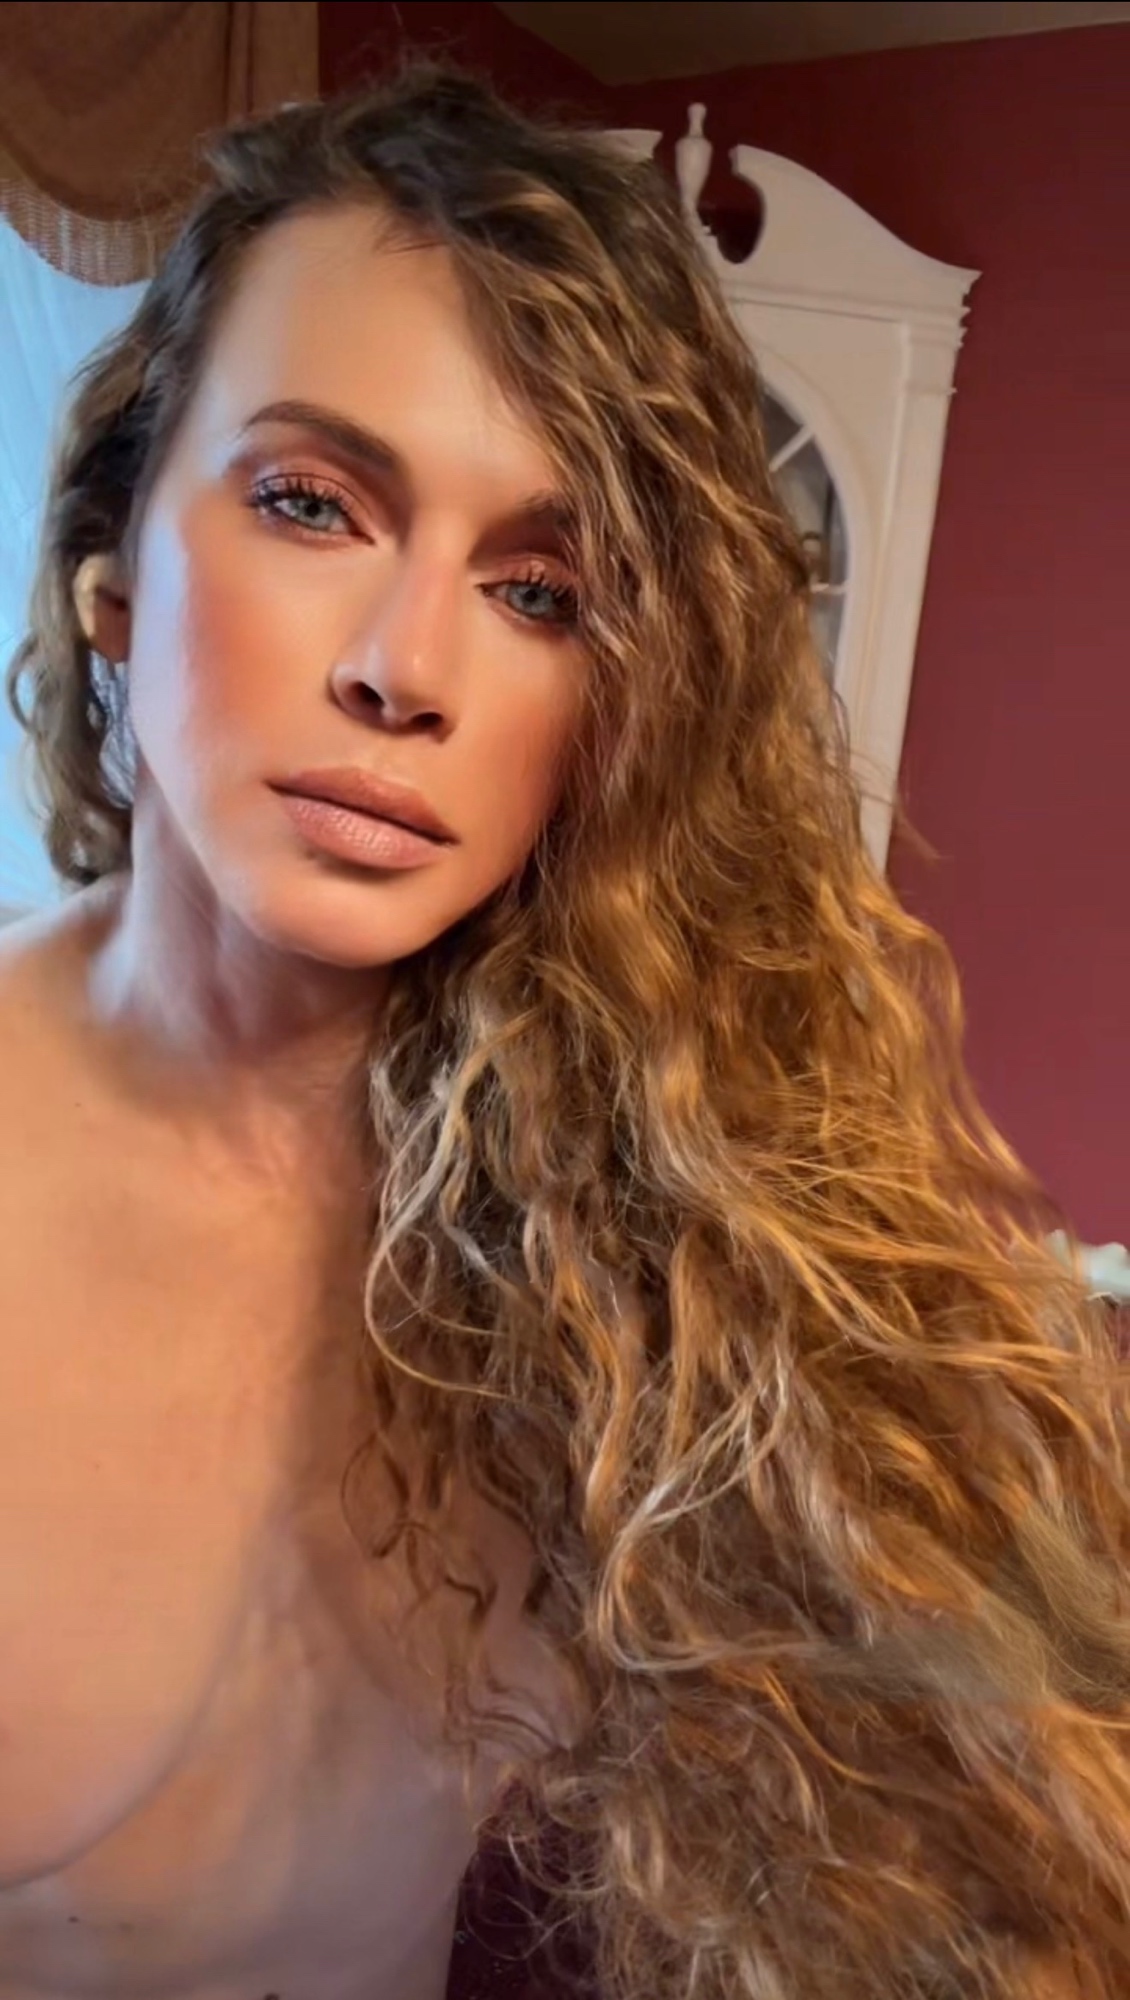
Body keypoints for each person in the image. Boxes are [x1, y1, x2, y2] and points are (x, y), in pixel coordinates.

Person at [1, 62, 1127, 2000]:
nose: (402, 668)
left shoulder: (658, 1219)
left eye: (539, 590)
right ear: (115, 564)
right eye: (308, 502)